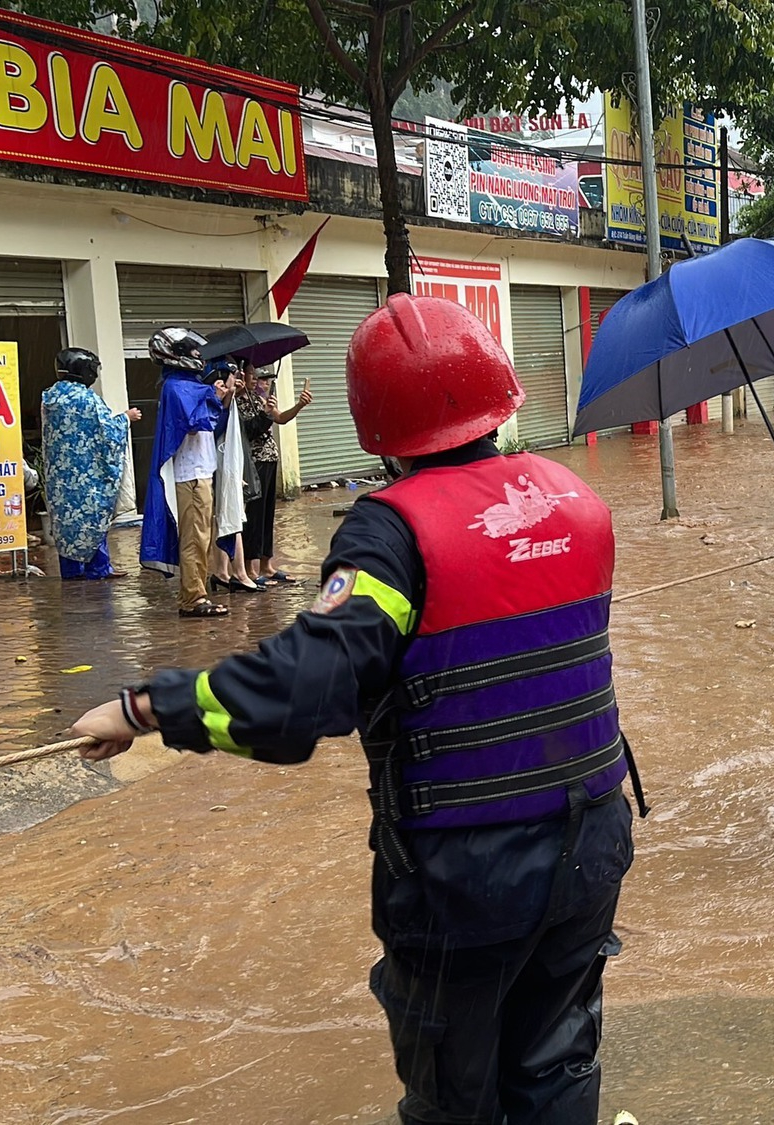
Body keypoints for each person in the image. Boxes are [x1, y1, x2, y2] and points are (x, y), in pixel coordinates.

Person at [72, 294, 641, 1125]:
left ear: (375, 422)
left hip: (468, 871)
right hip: (592, 843)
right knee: (555, 1071)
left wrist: (147, 706)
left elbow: (307, 692)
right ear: (498, 391)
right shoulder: (577, 500)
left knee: (455, 1097)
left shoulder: (393, 533)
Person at [139, 327, 234, 617]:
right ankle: (193, 598)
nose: (198, 357)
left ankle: (196, 593)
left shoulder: (189, 384)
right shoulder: (177, 387)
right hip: (190, 474)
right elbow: (194, 423)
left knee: (202, 536)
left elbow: (213, 425)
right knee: (194, 537)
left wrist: (224, 398)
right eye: (193, 353)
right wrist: (216, 398)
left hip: (201, 469)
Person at [40, 348, 140, 579]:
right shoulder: (86, 398)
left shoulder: (49, 396)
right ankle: (99, 568)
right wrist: (126, 417)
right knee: (92, 518)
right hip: (87, 475)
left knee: (67, 522)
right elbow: (106, 431)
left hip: (60, 477)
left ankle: (72, 570)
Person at [235, 359, 312, 587]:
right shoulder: (236, 404)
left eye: (255, 375)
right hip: (254, 463)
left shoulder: (258, 399)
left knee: (268, 515)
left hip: (270, 460)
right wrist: (265, 414)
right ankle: (248, 568)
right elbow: (251, 431)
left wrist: (299, 405)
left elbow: (281, 418)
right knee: (254, 517)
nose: (255, 379)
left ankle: (267, 564)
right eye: (251, 374)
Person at [205, 360, 258, 593]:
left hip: (225, 464)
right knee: (229, 516)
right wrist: (222, 397)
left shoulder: (228, 401)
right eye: (231, 374)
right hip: (213, 465)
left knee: (226, 517)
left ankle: (223, 572)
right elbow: (214, 427)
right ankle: (236, 573)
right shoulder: (209, 399)